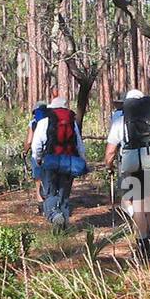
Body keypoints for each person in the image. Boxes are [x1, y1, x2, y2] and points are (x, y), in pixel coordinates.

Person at [104, 88, 150, 259]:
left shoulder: (120, 121)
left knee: (137, 202)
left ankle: (143, 239)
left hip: (133, 165)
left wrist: (109, 166)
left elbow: (111, 150)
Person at [30, 95, 87, 229]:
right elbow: (79, 144)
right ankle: (64, 224)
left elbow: (37, 144)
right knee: (64, 194)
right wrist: (83, 160)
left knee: (50, 192)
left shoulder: (44, 122)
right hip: (69, 162)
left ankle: (55, 216)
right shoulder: (72, 122)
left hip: (50, 161)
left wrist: (37, 158)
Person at [23, 99, 50, 197]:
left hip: (37, 153)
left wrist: (25, 151)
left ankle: (40, 201)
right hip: (52, 152)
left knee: (38, 178)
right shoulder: (52, 121)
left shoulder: (33, 123)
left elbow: (29, 141)